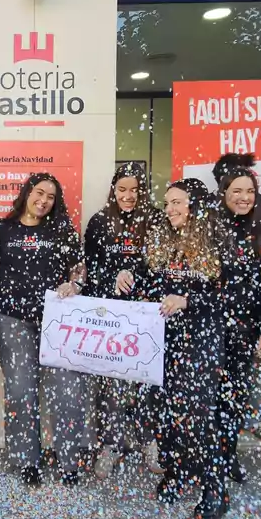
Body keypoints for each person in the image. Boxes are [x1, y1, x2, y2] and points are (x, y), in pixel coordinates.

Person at [120, 178, 229, 519]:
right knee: (165, 411)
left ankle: (214, 487)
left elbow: (233, 297)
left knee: (198, 416)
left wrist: (189, 300)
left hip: (199, 341)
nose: (170, 210)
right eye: (167, 203)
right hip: (162, 339)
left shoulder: (218, 241)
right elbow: (147, 275)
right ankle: (179, 472)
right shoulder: (161, 238)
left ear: (195, 205)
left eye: (177, 203)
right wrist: (127, 273)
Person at [0, 173, 86, 487]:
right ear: (27, 193)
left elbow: (78, 271)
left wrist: (75, 284)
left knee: (67, 393)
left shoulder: (63, 231)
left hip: (56, 320)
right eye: (39, 193)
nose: (43, 201)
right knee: (20, 393)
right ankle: (27, 460)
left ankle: (68, 462)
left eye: (51, 197)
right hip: (12, 321)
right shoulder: (1, 230)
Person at [85, 163, 161, 479]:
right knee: (112, 387)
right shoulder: (100, 222)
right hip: (112, 319)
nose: (128, 196)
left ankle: (150, 443)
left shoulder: (157, 220)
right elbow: (90, 271)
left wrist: (137, 279)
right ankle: (111, 445)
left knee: (147, 386)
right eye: (122, 189)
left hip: (147, 317)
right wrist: (111, 278)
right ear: (113, 191)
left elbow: (163, 267)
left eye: (134, 190)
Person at [215, 164, 261, 485]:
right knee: (208, 399)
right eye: (236, 191)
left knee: (233, 398)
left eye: (250, 192)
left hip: (244, 332)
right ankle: (205, 457)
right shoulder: (208, 229)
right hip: (207, 330)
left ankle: (228, 457)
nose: (243, 198)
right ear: (224, 193)